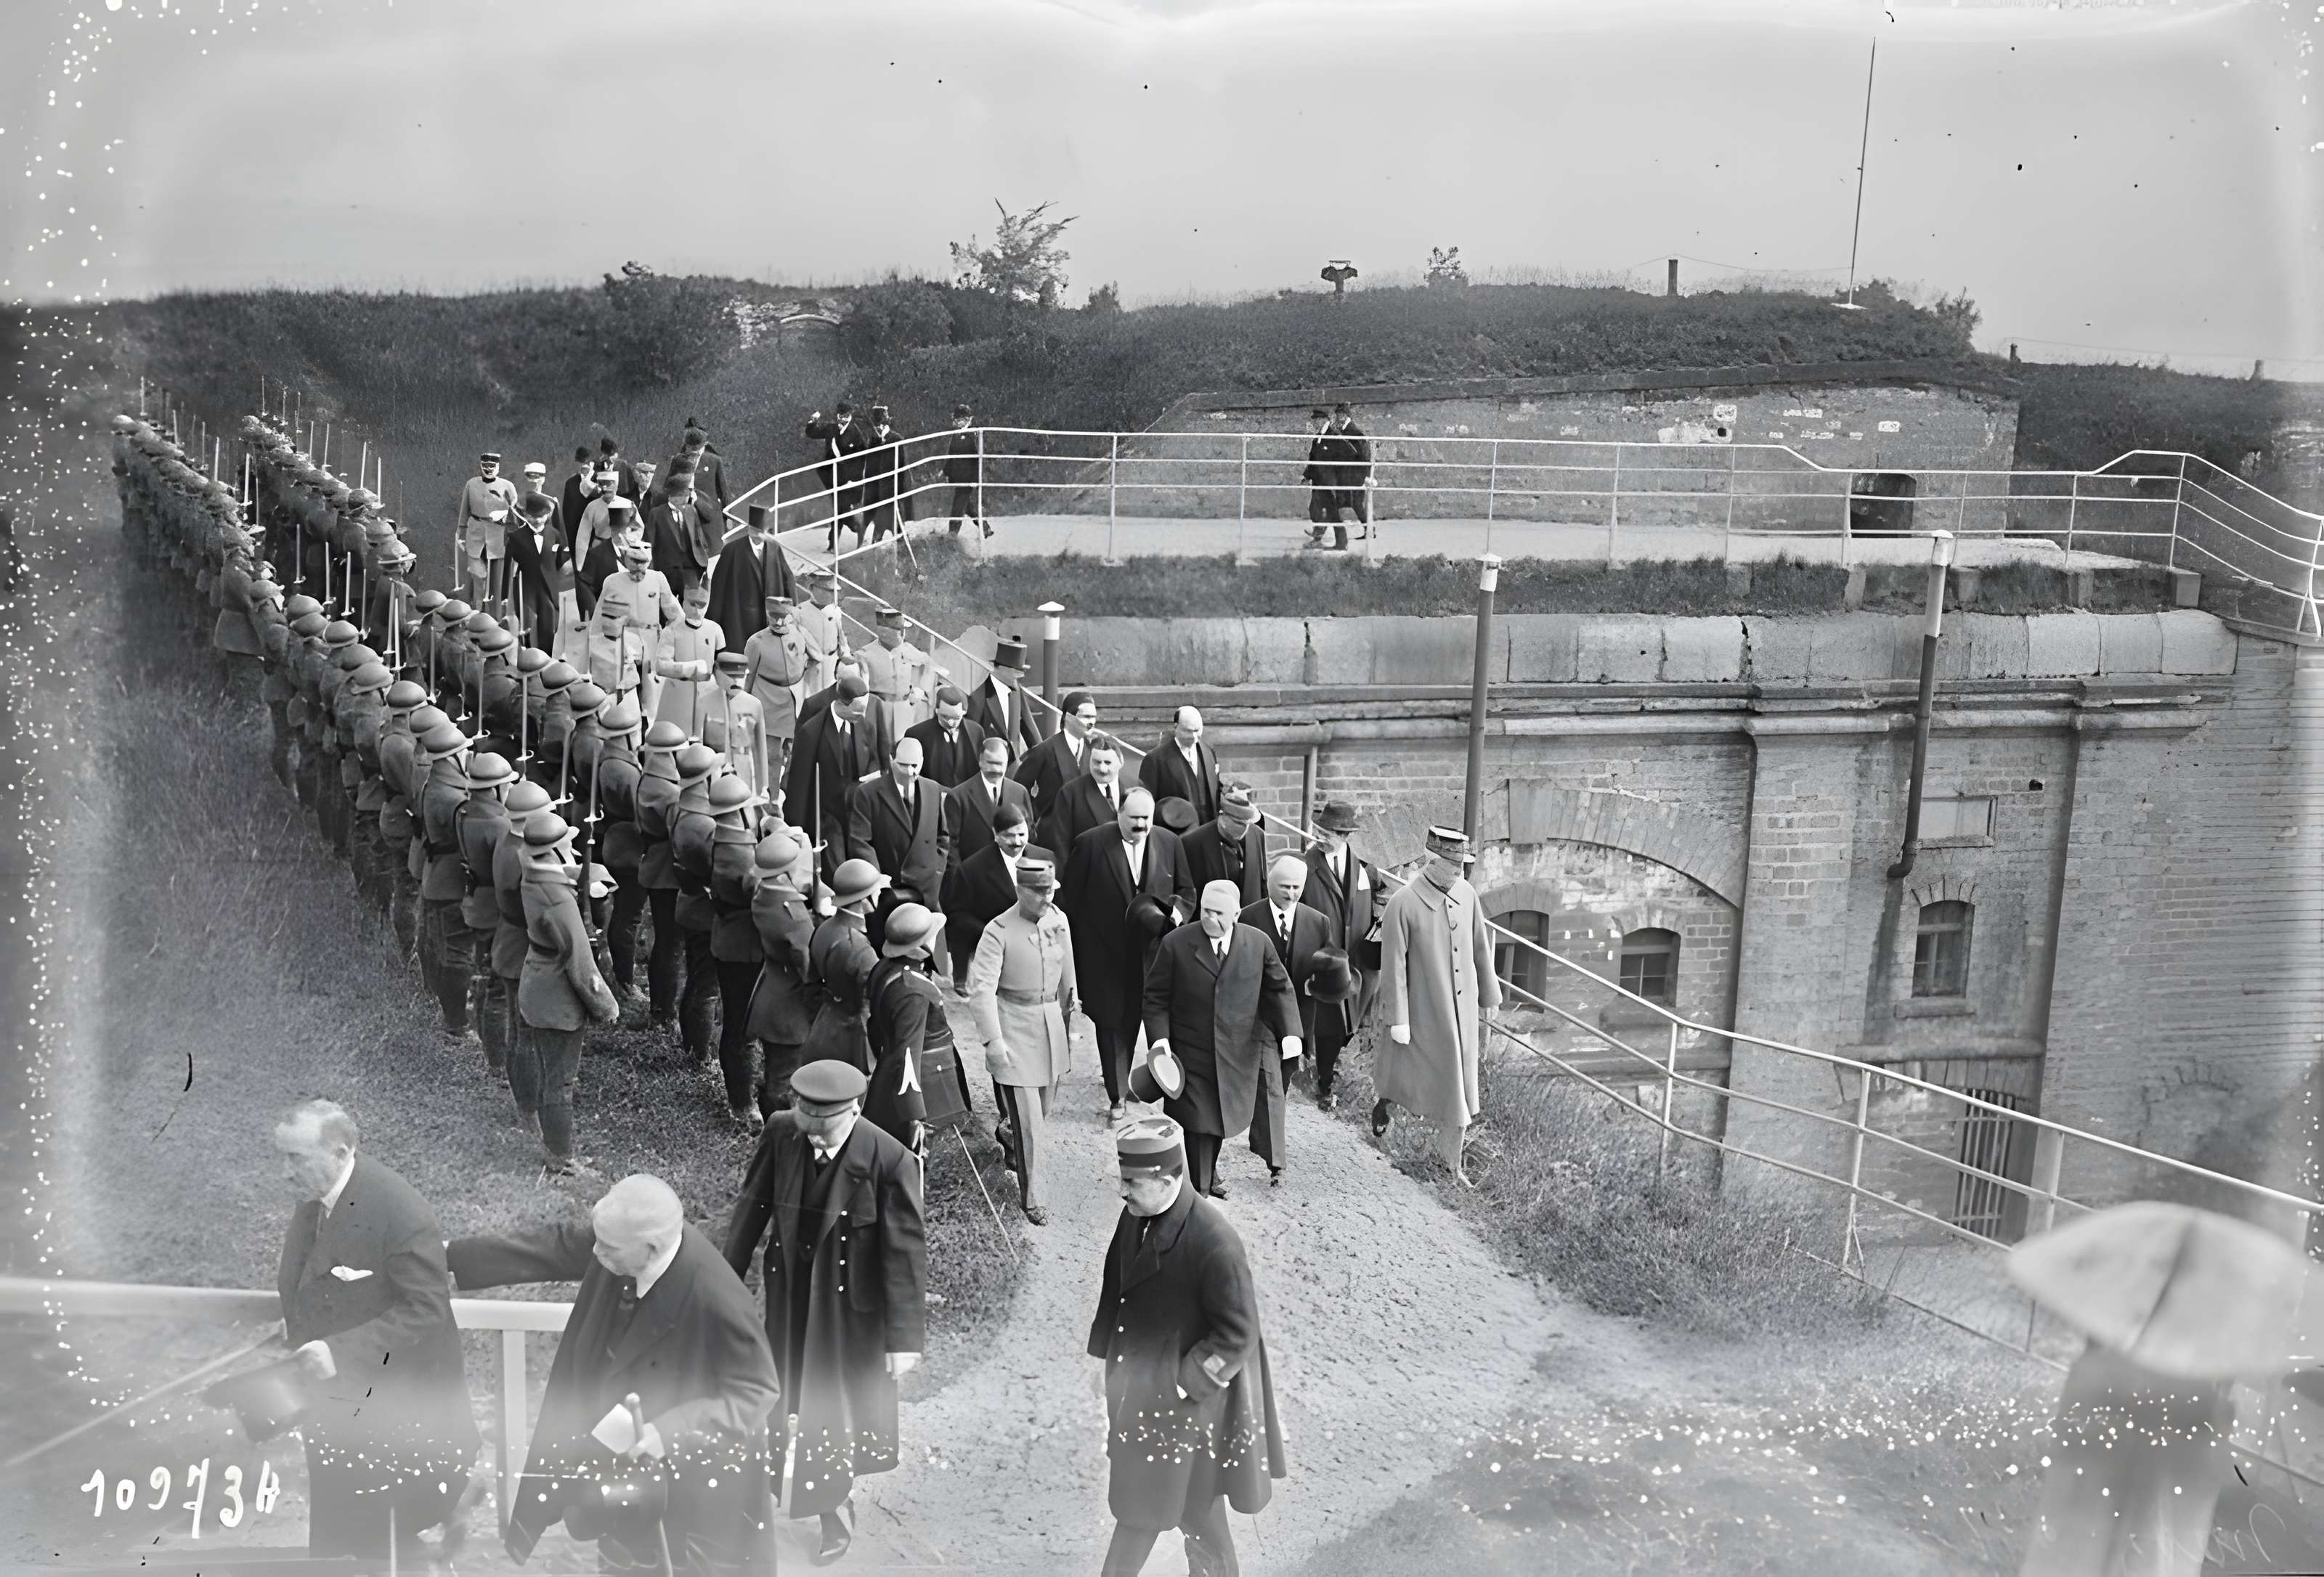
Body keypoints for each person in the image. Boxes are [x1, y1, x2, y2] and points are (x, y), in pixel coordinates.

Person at [448, 1175, 779, 1576]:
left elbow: (758, 1390)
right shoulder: (627, 1239)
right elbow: (558, 1247)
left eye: (605, 1247)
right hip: (626, 1456)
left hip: (691, 1478)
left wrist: (669, 1432)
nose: (594, 1252)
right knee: (620, 1551)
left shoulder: (716, 1296)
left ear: (651, 1249)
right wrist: (451, 1257)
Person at [722, 1060, 927, 1565]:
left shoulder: (890, 1159)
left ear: (854, 1111)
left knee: (831, 1410)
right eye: (806, 1128)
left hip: (848, 1312)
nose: (813, 1143)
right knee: (779, 1395)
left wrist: (903, 1339)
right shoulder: (782, 1131)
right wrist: (725, 1288)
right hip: (790, 1294)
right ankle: (769, 1494)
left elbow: (904, 1254)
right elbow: (752, 1208)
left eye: (825, 1134)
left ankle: (834, 1509)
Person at [272, 1099, 479, 1565]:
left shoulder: (397, 1208)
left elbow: (427, 1308)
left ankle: (451, 1510)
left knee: (381, 1542)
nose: (285, 1172)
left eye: (296, 1158)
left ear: (341, 1152)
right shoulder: (315, 1196)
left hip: (392, 1410)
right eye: (282, 1157)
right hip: (334, 1406)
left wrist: (339, 1352)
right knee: (339, 1537)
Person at [1086, 1113, 1286, 1577]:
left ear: (1169, 1178)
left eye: (1132, 1182)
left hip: (1184, 1409)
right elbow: (1118, 1287)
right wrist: (1107, 1360)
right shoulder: (1137, 1214)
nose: (1122, 1191)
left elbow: (1238, 1332)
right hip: (1145, 1392)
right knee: (1197, 1512)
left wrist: (1184, 1384)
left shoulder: (1215, 1242)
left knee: (1142, 1510)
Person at [1143, 880, 1302, 1199]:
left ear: (1237, 914)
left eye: (1218, 914)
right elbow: (1155, 997)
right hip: (1191, 1053)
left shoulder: (1258, 944)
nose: (1209, 919)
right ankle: (1198, 1196)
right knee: (1198, 1124)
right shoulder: (1177, 943)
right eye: (1205, 911)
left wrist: (1291, 1033)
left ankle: (1203, 1181)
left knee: (1216, 1123)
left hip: (1237, 1051)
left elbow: (1280, 988)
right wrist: (1159, 1041)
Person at [1375, 825, 1502, 1186]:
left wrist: (1489, 995)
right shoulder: (1402, 903)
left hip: (1462, 1012)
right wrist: (1398, 1018)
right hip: (1424, 1010)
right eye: (1451, 863)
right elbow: (1394, 966)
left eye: (1462, 864)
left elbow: (1480, 946)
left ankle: (1451, 1164)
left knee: (1460, 1087)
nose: (1458, 871)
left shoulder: (1467, 893)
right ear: (1432, 861)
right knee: (1410, 1076)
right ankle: (1386, 1105)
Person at [1061, 786, 1196, 1123]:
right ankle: (1117, 1095)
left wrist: (1174, 918)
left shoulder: (1170, 842)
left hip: (1153, 956)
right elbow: (1070, 905)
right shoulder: (1090, 843)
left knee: (1142, 1020)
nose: (1140, 825)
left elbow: (1186, 890)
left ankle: (1140, 1082)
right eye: (1133, 817)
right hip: (1104, 955)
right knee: (1110, 1024)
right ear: (1119, 814)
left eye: (1146, 818)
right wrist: (1076, 960)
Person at [967, 854, 1076, 1225]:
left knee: (1040, 1114)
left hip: (1049, 1028)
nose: (1047, 898)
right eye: (1039, 892)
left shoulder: (1059, 919)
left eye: (1051, 890)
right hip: (1014, 1028)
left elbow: (1068, 971)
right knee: (1031, 1122)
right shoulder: (997, 931)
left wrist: (1070, 1009)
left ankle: (1007, 1132)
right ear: (1020, 890)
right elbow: (980, 990)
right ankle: (1033, 1198)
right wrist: (993, 1042)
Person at [514, 810, 622, 1175]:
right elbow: (582, 965)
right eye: (568, 847)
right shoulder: (559, 902)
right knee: (559, 1083)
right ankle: (560, 1159)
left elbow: (555, 875)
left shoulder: (530, 872)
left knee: (549, 1075)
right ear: (558, 851)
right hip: (557, 997)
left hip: (536, 980)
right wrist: (607, 1007)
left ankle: (553, 1148)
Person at [1243, 853, 1340, 1170]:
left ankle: (1262, 1139)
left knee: (1281, 1080)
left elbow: (1328, 967)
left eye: (1298, 887)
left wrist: (1319, 985)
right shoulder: (1247, 917)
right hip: (1258, 1015)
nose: (1291, 894)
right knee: (1267, 1080)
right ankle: (1275, 1158)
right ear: (1270, 883)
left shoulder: (1317, 921)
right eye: (1285, 887)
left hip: (1298, 1018)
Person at [1299, 799, 1381, 1109]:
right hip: (1324, 958)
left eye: (1328, 833)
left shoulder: (1365, 869)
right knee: (1326, 1024)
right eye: (1319, 830)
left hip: (1356, 960)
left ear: (1344, 835)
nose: (1320, 837)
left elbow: (1375, 903)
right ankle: (1324, 1085)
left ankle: (1335, 1079)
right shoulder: (1307, 867)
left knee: (1350, 1022)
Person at [787, 668, 888, 887]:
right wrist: (795, 831)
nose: (863, 716)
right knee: (837, 874)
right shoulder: (811, 733)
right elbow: (799, 785)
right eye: (859, 710)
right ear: (842, 704)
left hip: (856, 812)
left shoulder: (864, 725)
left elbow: (873, 759)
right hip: (826, 815)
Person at [848, 735, 949, 953]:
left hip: (925, 888)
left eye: (915, 765)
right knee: (887, 951)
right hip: (889, 888)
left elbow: (943, 836)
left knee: (925, 952)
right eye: (904, 765)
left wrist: (936, 871)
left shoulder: (933, 789)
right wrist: (876, 880)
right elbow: (860, 841)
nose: (911, 772)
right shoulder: (868, 793)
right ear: (891, 760)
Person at [455, 751, 521, 1078]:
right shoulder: (500, 824)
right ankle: (495, 1061)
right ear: (495, 789)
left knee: (482, 975)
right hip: (495, 906)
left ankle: (485, 1044)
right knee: (495, 984)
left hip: (474, 901)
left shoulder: (462, 812)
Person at [744, 827, 817, 1116]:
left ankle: (769, 1126)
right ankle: (778, 1134)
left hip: (770, 991)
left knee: (775, 1072)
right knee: (784, 1080)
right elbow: (807, 961)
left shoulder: (763, 893)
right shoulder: (792, 913)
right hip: (790, 1005)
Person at [861, 901, 946, 1147]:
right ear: (921, 947)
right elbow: (909, 1053)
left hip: (887, 1069)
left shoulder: (884, 967)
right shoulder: (915, 990)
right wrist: (914, 1114)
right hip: (917, 1082)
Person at [805, 857, 885, 1072]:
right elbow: (877, 997)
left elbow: (811, 981)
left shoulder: (824, 928)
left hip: (824, 1024)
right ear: (864, 899)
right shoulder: (859, 947)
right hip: (855, 1036)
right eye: (875, 890)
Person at [740, 594, 809, 783]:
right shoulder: (756, 642)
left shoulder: (798, 635)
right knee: (771, 755)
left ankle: (789, 792)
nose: (778, 621)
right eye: (773, 615)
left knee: (795, 752)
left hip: (794, 700)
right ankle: (770, 796)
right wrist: (745, 707)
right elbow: (749, 675)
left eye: (782, 616)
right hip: (768, 700)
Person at [708, 502, 795, 649]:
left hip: (770, 619)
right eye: (755, 530)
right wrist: (712, 624)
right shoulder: (732, 550)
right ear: (749, 529)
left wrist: (793, 610)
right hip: (740, 620)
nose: (759, 535)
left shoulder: (774, 549)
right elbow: (719, 587)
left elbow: (788, 578)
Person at [945, 733, 1035, 871]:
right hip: (973, 877)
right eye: (990, 763)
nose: (995, 769)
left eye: (1000, 764)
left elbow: (1030, 835)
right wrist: (960, 877)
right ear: (980, 761)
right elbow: (951, 846)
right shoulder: (958, 796)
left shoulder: (1020, 792)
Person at [1012, 689, 1096, 828]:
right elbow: (1019, 788)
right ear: (1069, 717)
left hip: (1084, 833)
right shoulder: (1045, 750)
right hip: (1052, 831)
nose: (1091, 722)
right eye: (1086, 717)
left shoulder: (1093, 750)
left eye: (1093, 717)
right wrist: (1035, 817)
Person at [653, 576, 724, 737]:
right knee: (674, 738)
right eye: (692, 604)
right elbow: (661, 665)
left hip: (707, 694)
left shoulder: (715, 630)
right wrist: (688, 668)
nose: (697, 610)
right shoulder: (671, 631)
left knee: (707, 743)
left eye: (702, 605)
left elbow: (722, 663)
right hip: (677, 694)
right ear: (683, 602)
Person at [1041, 731, 1127, 863]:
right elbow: (1059, 844)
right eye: (1097, 762)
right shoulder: (1070, 793)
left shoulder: (1135, 789)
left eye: (1108, 763)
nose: (1102, 769)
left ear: (1121, 762)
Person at [856, 604, 937, 737]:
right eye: (899, 630)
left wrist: (921, 689)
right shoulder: (865, 654)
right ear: (885, 632)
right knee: (878, 745)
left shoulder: (908, 649)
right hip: (878, 708)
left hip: (903, 707)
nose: (904, 634)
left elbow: (930, 664)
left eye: (903, 630)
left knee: (903, 743)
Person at [1182, 782, 1267, 906]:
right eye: (1237, 823)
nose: (1244, 829)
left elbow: (1262, 884)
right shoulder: (1193, 842)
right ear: (1223, 815)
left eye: (1247, 824)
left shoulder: (1257, 835)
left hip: (1249, 920)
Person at [506, 490, 569, 655]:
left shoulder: (555, 535)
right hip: (526, 588)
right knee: (528, 624)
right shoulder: (516, 537)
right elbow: (508, 566)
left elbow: (561, 560)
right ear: (526, 515)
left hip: (549, 589)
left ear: (548, 515)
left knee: (549, 626)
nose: (536, 520)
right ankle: (528, 658)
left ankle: (546, 660)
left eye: (540, 516)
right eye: (532, 516)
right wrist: (506, 595)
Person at [1139, 705, 1221, 830]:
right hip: (1176, 835)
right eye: (1188, 731)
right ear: (1176, 727)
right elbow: (1146, 803)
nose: (1194, 737)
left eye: (1197, 731)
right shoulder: (1155, 759)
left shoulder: (1209, 752)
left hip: (1209, 832)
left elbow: (1216, 790)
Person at [803, 402, 872, 549]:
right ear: (837, 416)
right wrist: (813, 421)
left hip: (850, 481)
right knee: (840, 510)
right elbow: (812, 433)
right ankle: (840, 539)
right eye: (841, 416)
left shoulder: (856, 434)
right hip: (833, 478)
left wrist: (853, 480)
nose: (843, 420)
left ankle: (850, 534)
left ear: (851, 416)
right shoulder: (831, 429)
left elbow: (861, 459)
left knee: (841, 511)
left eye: (846, 416)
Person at [703, 649, 769, 801]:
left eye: (740, 676)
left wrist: (763, 786)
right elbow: (699, 744)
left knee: (743, 805)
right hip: (714, 767)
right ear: (718, 674)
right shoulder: (704, 703)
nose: (736, 682)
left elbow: (760, 748)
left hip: (742, 763)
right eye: (731, 676)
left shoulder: (754, 705)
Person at [456, 452, 519, 607]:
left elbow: (516, 513)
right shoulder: (471, 484)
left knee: (497, 579)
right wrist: (461, 531)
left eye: (492, 466)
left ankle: (495, 615)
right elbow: (465, 509)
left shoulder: (508, 486)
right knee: (478, 576)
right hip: (475, 533)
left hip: (498, 536)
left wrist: (506, 517)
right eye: (485, 466)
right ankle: (476, 612)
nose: (488, 469)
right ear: (480, 466)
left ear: (498, 467)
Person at [967, 637, 1040, 763]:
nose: (1019, 677)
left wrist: (1042, 755)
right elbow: (971, 737)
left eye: (1021, 673)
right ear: (1001, 668)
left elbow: (1028, 726)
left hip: (1013, 763)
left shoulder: (1017, 691)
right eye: (1016, 672)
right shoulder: (978, 696)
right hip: (989, 762)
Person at [906, 684, 986, 789]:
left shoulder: (977, 732)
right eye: (946, 717)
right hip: (932, 797)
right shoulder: (917, 735)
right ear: (937, 710)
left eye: (956, 717)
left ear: (964, 712)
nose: (951, 722)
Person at [1320, 401, 1375, 547]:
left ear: (1347, 415)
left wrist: (1366, 475)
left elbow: (1364, 455)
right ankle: (1320, 530)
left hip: (1356, 475)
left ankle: (1320, 531)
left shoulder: (1353, 431)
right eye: (1338, 414)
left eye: (1342, 414)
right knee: (1339, 503)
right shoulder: (1342, 430)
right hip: (1346, 475)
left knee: (1355, 503)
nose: (1340, 416)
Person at [941, 402, 992, 539]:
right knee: (967, 506)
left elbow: (978, 459)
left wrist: (975, 480)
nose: (956, 422)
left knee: (958, 507)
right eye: (955, 419)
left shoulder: (973, 435)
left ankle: (952, 535)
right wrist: (945, 472)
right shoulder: (955, 435)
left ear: (967, 420)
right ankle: (985, 527)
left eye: (959, 420)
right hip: (958, 477)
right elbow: (951, 455)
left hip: (968, 478)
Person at [794, 568, 847, 697]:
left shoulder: (835, 611)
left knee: (830, 700)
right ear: (813, 589)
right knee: (811, 700)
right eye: (828, 591)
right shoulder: (800, 612)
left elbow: (841, 638)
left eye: (833, 591)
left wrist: (845, 655)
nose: (832, 595)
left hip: (831, 664)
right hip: (811, 667)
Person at [858, 405, 906, 542]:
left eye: (880, 426)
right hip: (877, 492)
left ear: (886, 424)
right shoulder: (873, 441)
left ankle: (904, 551)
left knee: (897, 526)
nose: (878, 429)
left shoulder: (897, 439)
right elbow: (870, 468)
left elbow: (902, 467)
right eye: (876, 426)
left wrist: (900, 491)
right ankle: (875, 548)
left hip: (891, 490)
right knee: (879, 524)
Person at [1300, 407, 1338, 549]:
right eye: (1314, 420)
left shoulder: (1334, 436)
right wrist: (1306, 475)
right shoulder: (1318, 437)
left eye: (1317, 420)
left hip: (1329, 480)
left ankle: (1318, 538)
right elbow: (1313, 459)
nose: (1315, 423)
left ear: (1324, 420)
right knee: (1314, 508)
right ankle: (1318, 532)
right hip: (1318, 479)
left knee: (1323, 508)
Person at [672, 421, 729, 510]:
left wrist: (727, 513)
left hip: (708, 511)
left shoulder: (713, 460)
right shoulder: (679, 460)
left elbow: (723, 491)